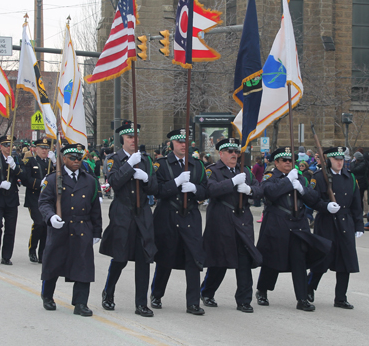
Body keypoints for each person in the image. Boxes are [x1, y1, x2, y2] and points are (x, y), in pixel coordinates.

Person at [255, 147, 331, 311]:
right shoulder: (270, 177)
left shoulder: (301, 177)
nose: (289, 163)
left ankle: (302, 298)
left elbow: (313, 198)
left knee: (299, 261)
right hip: (277, 223)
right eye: (285, 160)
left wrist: (301, 187)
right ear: (276, 162)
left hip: (298, 224)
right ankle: (262, 290)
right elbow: (270, 193)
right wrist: (287, 181)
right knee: (272, 259)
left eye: (291, 160)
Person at [99, 121, 158, 317]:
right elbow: (114, 182)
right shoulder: (113, 159)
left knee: (144, 259)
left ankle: (141, 303)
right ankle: (108, 292)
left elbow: (155, 188)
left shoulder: (147, 160)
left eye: (136, 136)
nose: (134, 140)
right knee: (120, 258)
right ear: (122, 139)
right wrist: (129, 165)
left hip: (142, 214)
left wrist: (147, 178)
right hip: (122, 213)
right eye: (130, 137)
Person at [200, 138, 263, 313]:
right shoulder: (213, 171)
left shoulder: (246, 172)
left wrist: (250, 190)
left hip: (242, 220)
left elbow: (260, 190)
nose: (234, 155)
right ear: (221, 154)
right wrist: (233, 182)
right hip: (221, 220)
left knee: (244, 261)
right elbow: (210, 190)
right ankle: (207, 292)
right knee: (219, 261)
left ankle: (244, 300)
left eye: (236, 152)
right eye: (230, 151)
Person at [39, 144, 102, 316]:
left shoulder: (90, 180)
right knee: (53, 263)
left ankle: (81, 303)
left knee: (84, 266)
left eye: (79, 158)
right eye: (72, 158)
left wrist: (97, 231)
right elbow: (44, 202)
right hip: (61, 227)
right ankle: (47, 296)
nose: (76, 161)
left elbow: (95, 208)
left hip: (82, 228)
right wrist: (51, 217)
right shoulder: (52, 179)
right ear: (64, 159)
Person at [150, 129, 207, 315]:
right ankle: (157, 294)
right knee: (166, 258)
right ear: (172, 143)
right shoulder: (162, 164)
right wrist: (176, 183)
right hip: (168, 215)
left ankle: (193, 303)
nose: (183, 144)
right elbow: (156, 191)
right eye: (179, 141)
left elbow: (206, 190)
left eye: (186, 141)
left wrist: (195, 189)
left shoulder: (197, 165)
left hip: (190, 216)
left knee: (194, 260)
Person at [307, 147, 364, 309]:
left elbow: (356, 205)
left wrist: (359, 224)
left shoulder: (350, 178)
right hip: (327, 222)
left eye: (342, 159)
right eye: (336, 159)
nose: (340, 162)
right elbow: (312, 199)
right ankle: (310, 286)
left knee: (346, 261)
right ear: (329, 160)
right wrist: (325, 206)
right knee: (322, 259)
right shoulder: (320, 177)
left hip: (345, 222)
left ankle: (340, 297)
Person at [0, 135, 25, 265]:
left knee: (10, 228)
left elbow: (23, 177)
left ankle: (6, 256)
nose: (8, 148)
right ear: (1, 146)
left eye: (10, 145)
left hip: (11, 198)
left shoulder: (15, 160)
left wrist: (15, 167)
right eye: (6, 145)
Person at [22, 138, 55, 263]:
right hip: (34, 198)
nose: (44, 151)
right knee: (39, 223)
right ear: (35, 149)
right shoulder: (30, 161)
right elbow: (26, 179)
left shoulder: (50, 163)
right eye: (42, 148)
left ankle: (42, 253)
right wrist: (39, 183)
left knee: (46, 226)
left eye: (46, 148)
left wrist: (56, 163)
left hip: (47, 199)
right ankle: (32, 249)